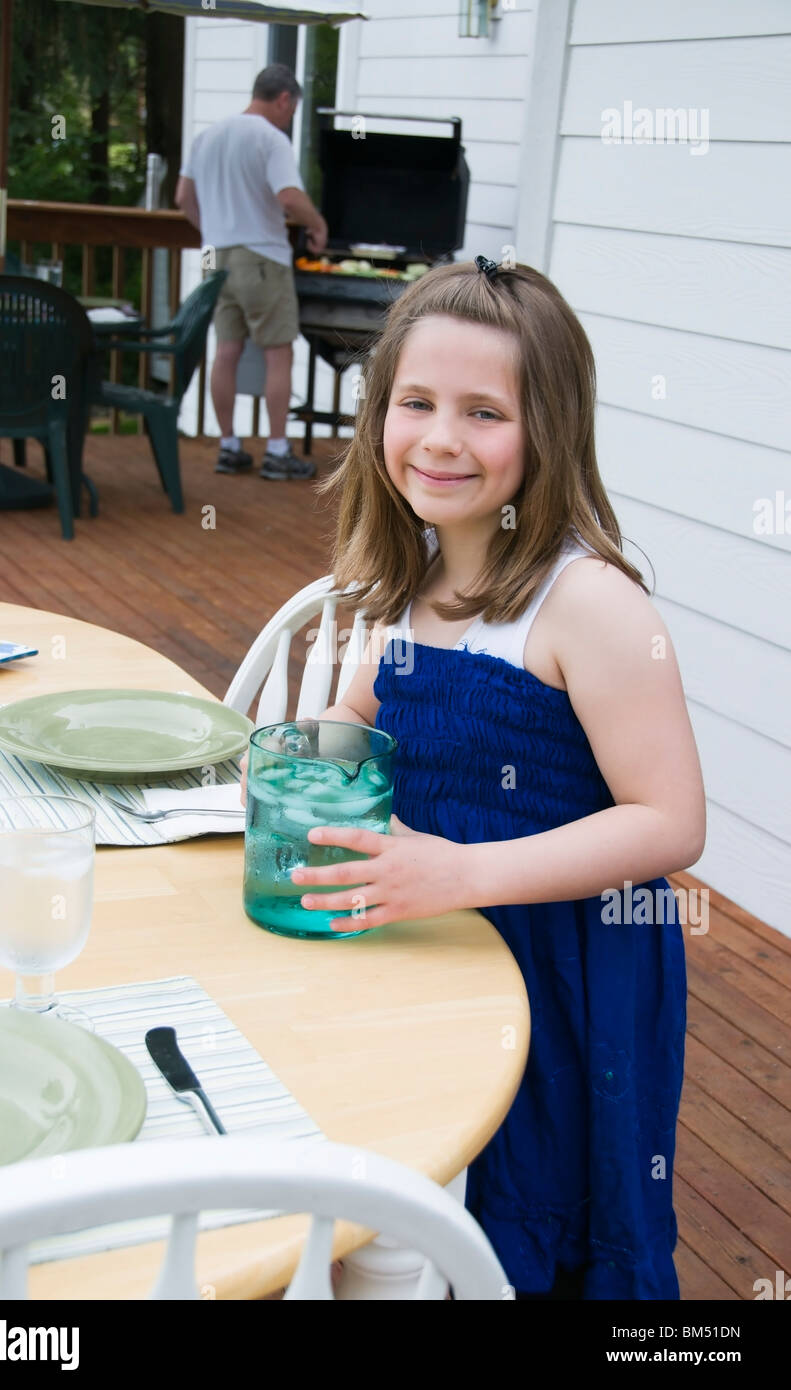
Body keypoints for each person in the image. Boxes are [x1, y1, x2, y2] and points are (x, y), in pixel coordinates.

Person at [242, 256, 705, 1299]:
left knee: (537, 1200)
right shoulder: (421, 580)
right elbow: (349, 718)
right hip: (440, 946)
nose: (441, 438)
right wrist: (283, 777)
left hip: (564, 967)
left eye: (483, 412)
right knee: (433, 1193)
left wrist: (458, 871)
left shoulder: (586, 603)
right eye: (415, 402)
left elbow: (671, 820)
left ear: (548, 430)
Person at [175, 63, 327, 481]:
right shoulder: (270, 139)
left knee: (226, 351)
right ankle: (277, 452)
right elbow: (290, 197)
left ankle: (229, 447)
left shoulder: (207, 136)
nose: (289, 118)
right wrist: (317, 224)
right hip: (261, 257)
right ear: (283, 99)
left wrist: (213, 228)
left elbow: (183, 197)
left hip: (217, 258)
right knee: (279, 352)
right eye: (291, 110)